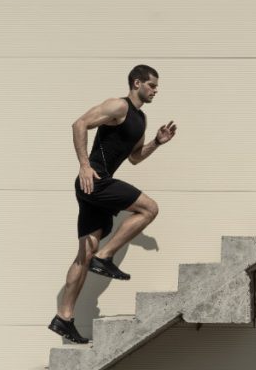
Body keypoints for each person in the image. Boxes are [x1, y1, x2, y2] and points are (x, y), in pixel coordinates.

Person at [48, 64, 177, 343]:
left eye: (157, 87)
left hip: (96, 185)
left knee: (85, 252)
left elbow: (135, 157)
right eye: (152, 85)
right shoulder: (119, 106)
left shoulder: (140, 119)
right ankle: (105, 257)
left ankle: (64, 317)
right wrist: (84, 165)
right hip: (94, 180)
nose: (156, 90)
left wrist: (157, 141)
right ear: (137, 83)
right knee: (149, 208)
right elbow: (79, 123)